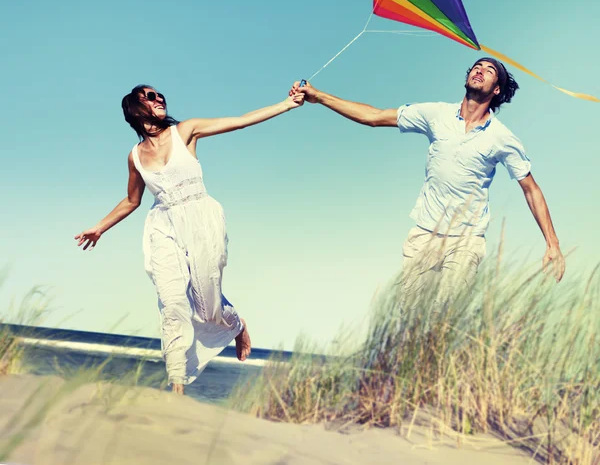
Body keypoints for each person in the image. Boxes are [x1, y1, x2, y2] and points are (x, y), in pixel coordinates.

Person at [291, 58, 565, 317]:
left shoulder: (502, 137)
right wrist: (321, 97)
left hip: (466, 240)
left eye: (489, 70)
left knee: (445, 316)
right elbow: (373, 116)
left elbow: (531, 189)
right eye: (476, 66)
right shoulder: (436, 114)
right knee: (409, 317)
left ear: (496, 89)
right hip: (424, 235)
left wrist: (552, 244)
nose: (479, 70)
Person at [76, 85, 303, 394]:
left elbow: (241, 120)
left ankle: (235, 323)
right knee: (171, 304)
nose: (160, 99)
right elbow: (131, 201)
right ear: (134, 107)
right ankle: (176, 386)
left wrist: (287, 104)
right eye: (150, 96)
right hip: (163, 225)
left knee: (207, 305)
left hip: (201, 220)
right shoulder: (135, 157)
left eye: (160, 95)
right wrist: (100, 227)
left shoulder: (187, 131)